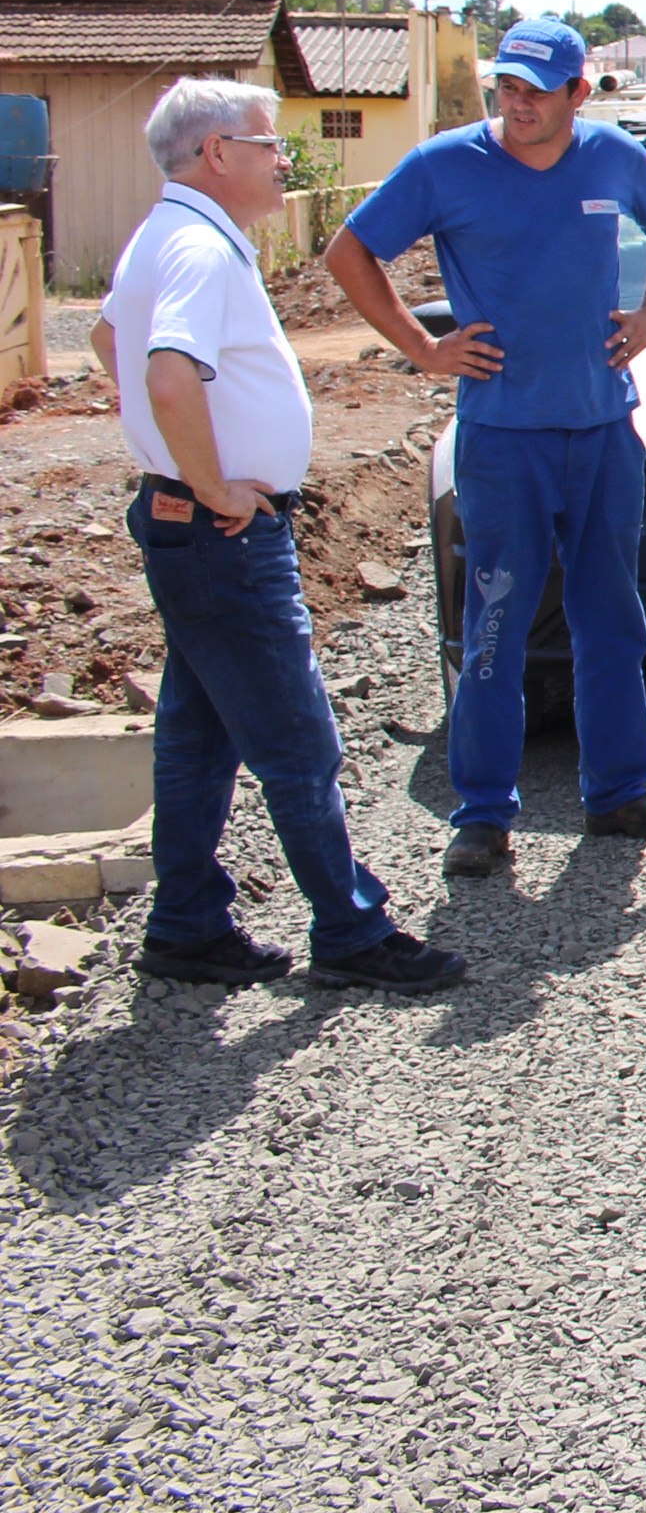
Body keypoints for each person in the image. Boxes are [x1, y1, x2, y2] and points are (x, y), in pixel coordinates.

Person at [95, 80, 463, 991]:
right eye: (267, 144)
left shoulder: (165, 235)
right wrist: (213, 479)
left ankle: (185, 923)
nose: (281, 160)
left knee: (197, 732)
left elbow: (109, 343)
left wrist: (167, 456)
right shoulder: (201, 250)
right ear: (216, 153)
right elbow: (167, 374)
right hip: (221, 532)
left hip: (188, 523)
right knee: (299, 742)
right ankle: (348, 930)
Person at [326, 18, 646, 878]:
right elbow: (351, 253)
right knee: (494, 624)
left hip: (603, 430)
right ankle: (484, 816)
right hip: (502, 441)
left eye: (537, 89)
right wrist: (421, 350)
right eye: (507, 87)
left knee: (611, 617)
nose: (518, 103)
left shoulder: (611, 157)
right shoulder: (443, 166)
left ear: (580, 92)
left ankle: (619, 796)